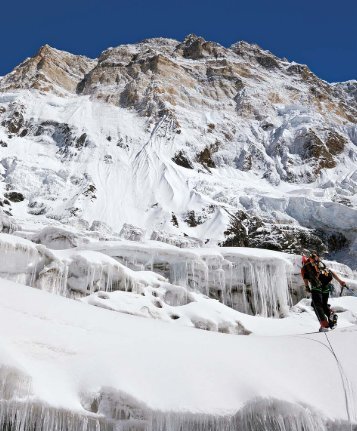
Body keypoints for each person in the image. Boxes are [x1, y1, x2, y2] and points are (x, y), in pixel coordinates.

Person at [301, 252, 346, 332]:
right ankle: (331, 317)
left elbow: (305, 278)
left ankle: (324, 325)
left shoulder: (305, 267)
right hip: (326, 287)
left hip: (316, 287)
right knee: (324, 305)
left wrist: (307, 287)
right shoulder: (321, 264)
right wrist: (340, 281)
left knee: (317, 305)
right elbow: (331, 272)